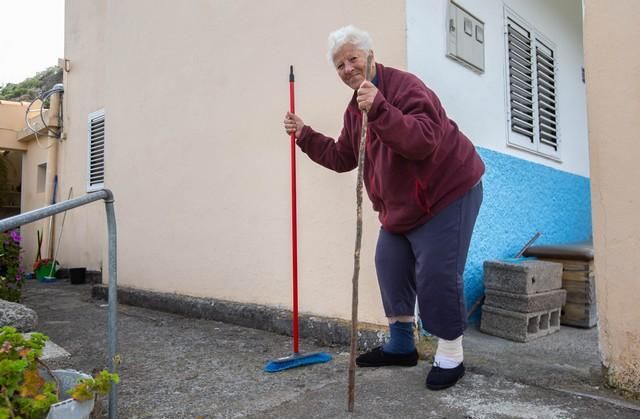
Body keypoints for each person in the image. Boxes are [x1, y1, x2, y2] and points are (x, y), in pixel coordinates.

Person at [283, 25, 484, 390]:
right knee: (389, 262)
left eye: (352, 59)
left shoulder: (405, 88)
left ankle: (451, 353)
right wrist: (305, 134)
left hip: (447, 192)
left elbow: (423, 140)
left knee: (436, 273)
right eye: (339, 65)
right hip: (402, 206)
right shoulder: (355, 108)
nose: (347, 69)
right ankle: (401, 345)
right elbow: (344, 156)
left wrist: (379, 109)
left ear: (370, 55)